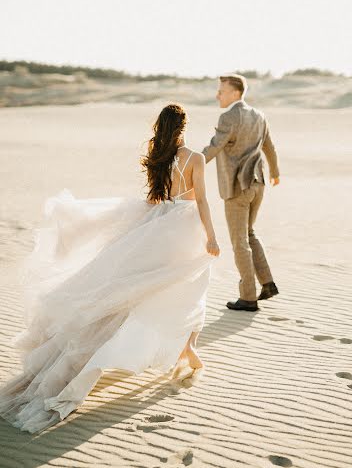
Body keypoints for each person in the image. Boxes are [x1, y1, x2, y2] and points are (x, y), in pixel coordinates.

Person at [0, 103, 219, 434]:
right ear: (184, 126)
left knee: (138, 292)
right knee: (190, 286)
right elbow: (201, 200)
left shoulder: (159, 156)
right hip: (184, 228)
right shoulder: (195, 158)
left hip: (160, 224)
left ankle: (187, 349)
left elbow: (156, 199)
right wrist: (213, 237)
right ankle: (185, 348)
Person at [202, 74, 280, 312]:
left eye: (222, 91)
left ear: (235, 93)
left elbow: (215, 146)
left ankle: (248, 297)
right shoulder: (259, 115)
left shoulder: (229, 117)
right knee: (249, 233)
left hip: (237, 187)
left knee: (239, 242)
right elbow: (269, 146)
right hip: (259, 183)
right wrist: (275, 172)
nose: (218, 95)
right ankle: (267, 283)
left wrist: (187, 167)